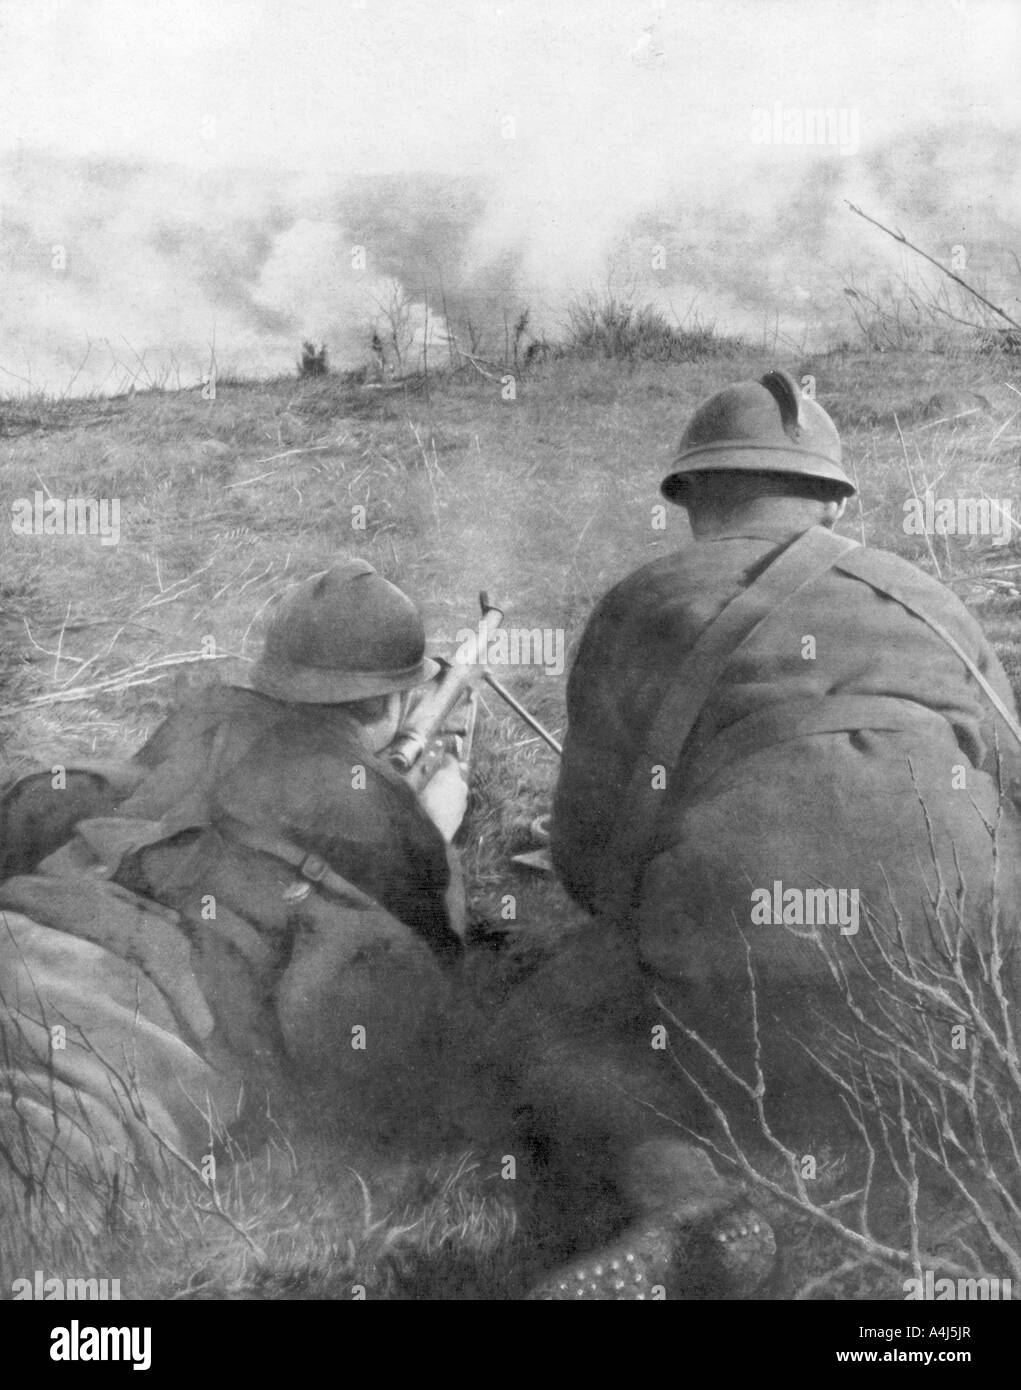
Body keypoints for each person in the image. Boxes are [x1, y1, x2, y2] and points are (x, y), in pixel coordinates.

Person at [501, 368, 1021, 1298]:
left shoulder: (644, 600)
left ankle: (690, 1205)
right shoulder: (932, 602)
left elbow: (586, 861)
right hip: (963, 962)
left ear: (692, 496)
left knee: (551, 1018)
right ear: (829, 499)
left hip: (743, 974)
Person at [0, 559, 469, 1220]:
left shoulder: (205, 713)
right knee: (49, 1179)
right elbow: (436, 962)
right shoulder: (383, 810)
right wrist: (438, 825)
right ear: (393, 701)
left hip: (32, 925)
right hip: (141, 1023)